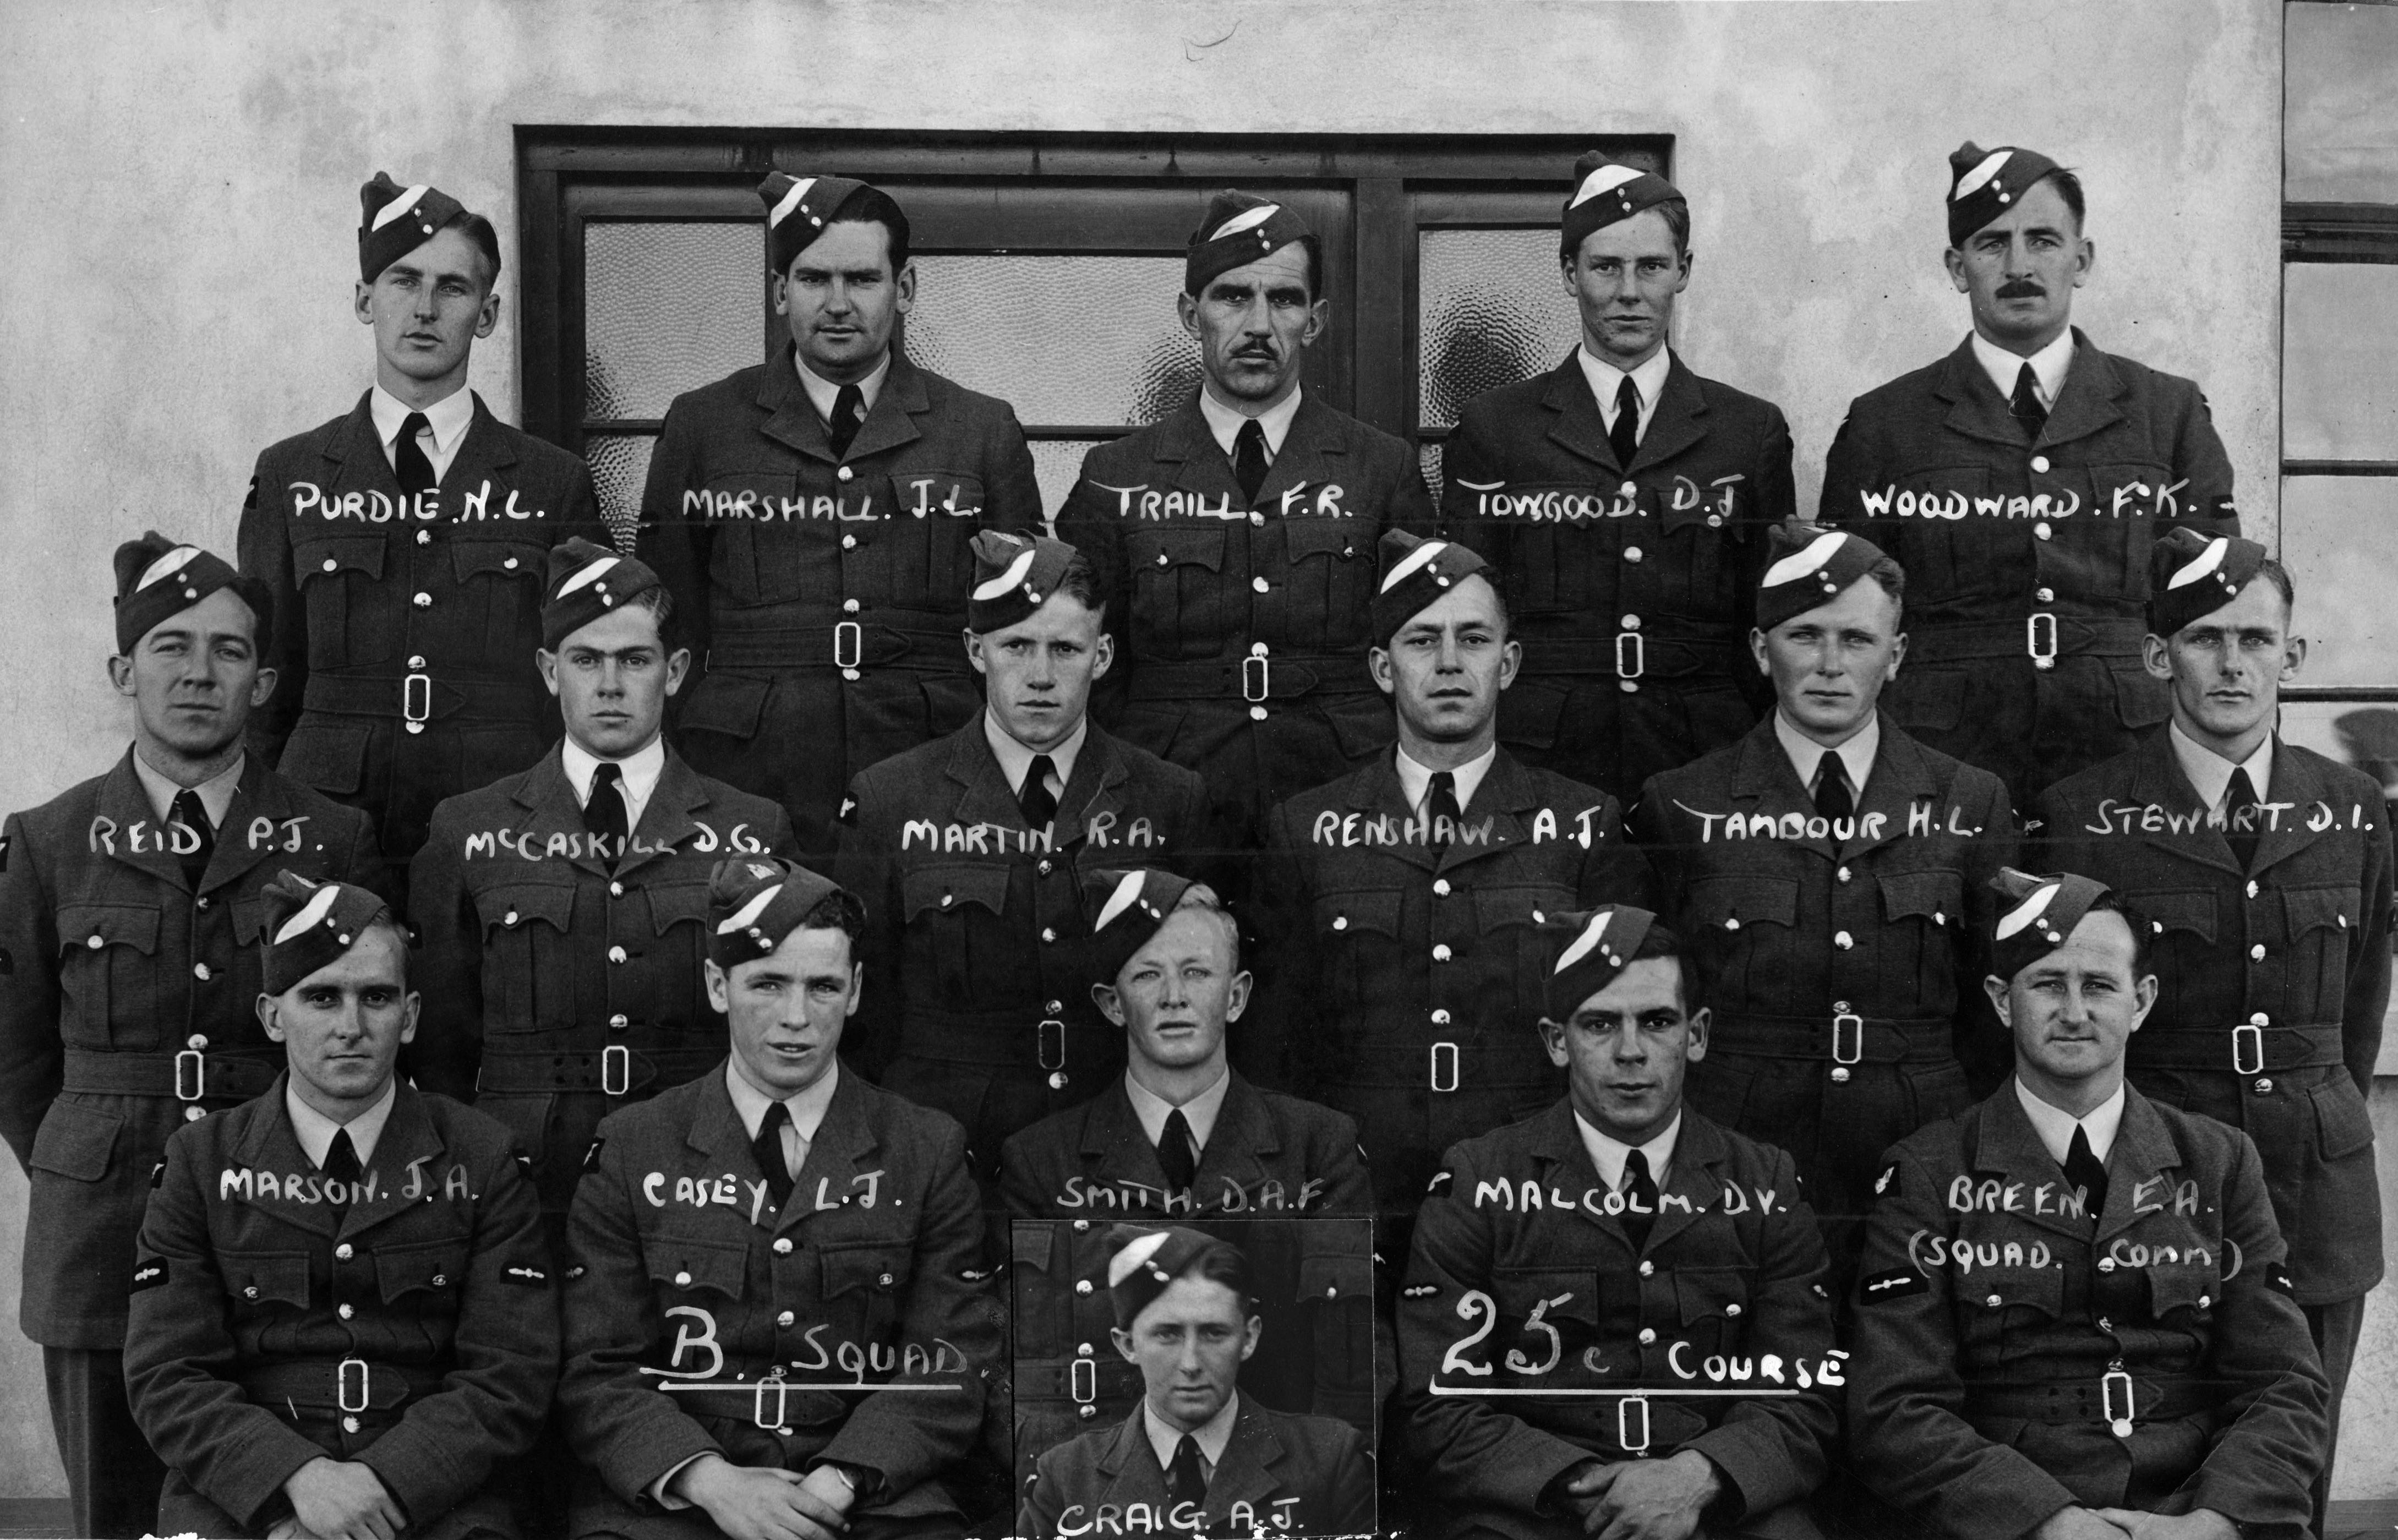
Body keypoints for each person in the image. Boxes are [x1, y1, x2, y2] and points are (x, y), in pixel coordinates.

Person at [0, 533, 381, 1537]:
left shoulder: (330, 835)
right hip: (102, 1223)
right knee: (119, 1512)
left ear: (264, 681)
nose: (198, 673)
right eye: (171, 647)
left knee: (276, 1497)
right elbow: (15, 1047)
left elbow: (363, 1029)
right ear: (124, 671)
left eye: (227, 650)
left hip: (283, 1211)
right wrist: (83, 1149)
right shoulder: (49, 840)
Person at [2035, 529, 2389, 1531]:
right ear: (2157, 656)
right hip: (2156, 1176)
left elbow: (2359, 1005)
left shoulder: (2352, 808)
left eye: (2253, 638)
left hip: (2315, 1189)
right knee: (2156, 1453)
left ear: (2293, 656)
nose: (2230, 663)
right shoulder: (2082, 813)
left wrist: (2322, 1110)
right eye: (2200, 638)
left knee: (2292, 1471)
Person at [1847, 869, 2329, 1540]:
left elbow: (2284, 1384)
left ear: (2140, 1000)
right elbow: (1894, 1405)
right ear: (1999, 999)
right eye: (2047, 983)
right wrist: (2046, 1522)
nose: (2074, 1010)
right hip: (2009, 1512)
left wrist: (2214, 1520)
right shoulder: (1929, 1171)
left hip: (2193, 1505)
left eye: (2099, 985)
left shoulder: (2219, 1161)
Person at [558, 857, 998, 1539]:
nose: (797, 1018)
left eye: (823, 987)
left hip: (870, 1495)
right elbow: (598, 1370)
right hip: (686, 1499)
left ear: (855, 992)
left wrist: (838, 1479)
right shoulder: (633, 1146)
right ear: (717, 985)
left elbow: (950, 1363)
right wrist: (711, 1480)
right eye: (767, 983)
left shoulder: (925, 1148)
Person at [1634, 525, 2016, 1286]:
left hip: (1921, 1148)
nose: (1831, 665)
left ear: (1897, 655)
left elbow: (1995, 1008)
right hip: (1738, 1147)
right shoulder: (1682, 802)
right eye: (1804, 635)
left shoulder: (1970, 800)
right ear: (1758, 647)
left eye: (1856, 639)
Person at [124, 871, 556, 1539]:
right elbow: (168, 1373)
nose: (351, 1026)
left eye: (376, 997)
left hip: (437, 1492)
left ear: (409, 1016)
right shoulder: (200, 1161)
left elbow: (509, 1375)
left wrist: (381, 1489)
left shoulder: (482, 1155)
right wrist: (295, 1486)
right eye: (322, 997)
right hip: (248, 1493)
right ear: (273, 1015)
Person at [1396, 905, 1837, 1540]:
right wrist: (1597, 1492)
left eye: (1657, 1021)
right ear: (1555, 1040)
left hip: (1715, 1501)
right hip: (1536, 1505)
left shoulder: (1763, 1179)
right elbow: (1439, 1401)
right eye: (1599, 1024)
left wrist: (1696, 1477)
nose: (1630, 1051)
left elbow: (1807, 1393)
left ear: (1697, 1033)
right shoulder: (1476, 1177)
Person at [1819, 142, 2239, 805]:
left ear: (2083, 260)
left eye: (2042, 241)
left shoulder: (2167, 411)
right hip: (1941, 753)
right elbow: (1843, 614)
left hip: (2128, 745)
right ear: (1958, 269)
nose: (2018, 266)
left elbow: (2212, 603)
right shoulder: (1885, 424)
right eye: (1991, 245)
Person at [641, 172, 1042, 857]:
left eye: (861, 278)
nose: (836, 304)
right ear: (778, 291)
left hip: (931, 758)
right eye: (812, 279)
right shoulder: (704, 425)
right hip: (746, 767)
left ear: (904, 288)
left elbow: (1023, 620)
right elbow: (660, 615)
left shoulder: (980, 430)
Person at [1255, 531, 1654, 1216]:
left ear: (1508, 662)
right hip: (1354, 1180)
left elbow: (1620, 1037)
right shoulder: (1304, 828)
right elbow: (1276, 1046)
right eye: (1420, 641)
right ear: (1382, 668)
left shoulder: (1585, 823)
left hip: (1532, 1186)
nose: (1447, 663)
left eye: (1472, 639)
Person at [410, 537, 795, 1236]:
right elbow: (439, 1041)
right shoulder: (469, 828)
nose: (610, 684)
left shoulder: (751, 828)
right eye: (586, 660)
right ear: (549, 671)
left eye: (634, 660)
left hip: (699, 1161)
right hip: (520, 1168)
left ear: (674, 671)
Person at [239, 172, 608, 867]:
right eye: (403, 281)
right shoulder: (292, 473)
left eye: (453, 287)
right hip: (321, 810)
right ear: (363, 300)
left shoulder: (552, 482)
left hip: (498, 815)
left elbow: (589, 667)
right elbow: (264, 675)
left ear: (489, 314)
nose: (425, 309)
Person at [1055, 189, 1437, 852]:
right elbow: (1087, 657)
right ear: (1189, 312)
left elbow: (1425, 647)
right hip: (1169, 792)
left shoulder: (1381, 468)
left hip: (1341, 790)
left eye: (1284, 300)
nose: (1258, 324)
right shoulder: (1116, 474)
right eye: (1232, 296)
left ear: (1314, 322)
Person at [834, 531, 1204, 1184]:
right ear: (977, 651)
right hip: (943, 1140)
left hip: (1111, 1133)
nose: (1040, 675)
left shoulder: (1168, 797)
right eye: (1016, 646)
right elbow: (864, 1008)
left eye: (1065, 648)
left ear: (1103, 654)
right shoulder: (892, 797)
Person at [1435, 152, 1795, 805]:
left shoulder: (1748, 431)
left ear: (1682, 273)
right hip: (1541, 757)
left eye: (1651, 267)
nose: (1629, 291)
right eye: (1605, 267)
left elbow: (1768, 619)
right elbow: (1466, 616)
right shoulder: (1497, 429)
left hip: (1703, 756)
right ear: (1569, 274)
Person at [1000, 867, 1376, 1481]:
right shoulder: (1041, 1159)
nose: (1174, 996)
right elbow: (1024, 1371)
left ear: (1236, 994)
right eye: (1148, 974)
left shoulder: (1318, 1146)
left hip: (1277, 1487)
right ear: (1112, 1003)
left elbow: (1354, 1358)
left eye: (1197, 972)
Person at [1019, 1225, 1376, 1539]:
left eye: (1214, 1333)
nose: (1191, 1364)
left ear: (1249, 1338)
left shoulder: (1329, 1463)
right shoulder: (1065, 1480)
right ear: (1127, 1345)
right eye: (1167, 1334)